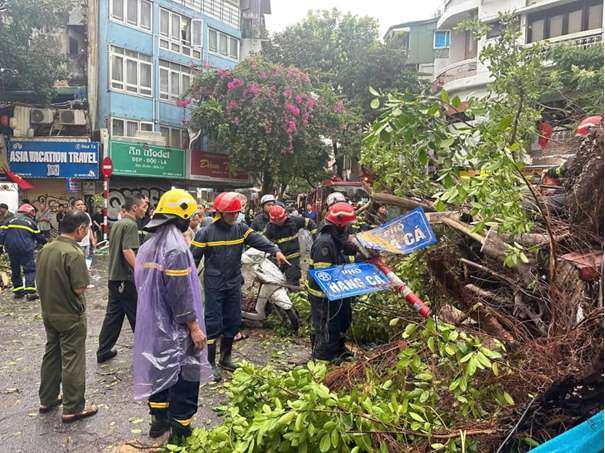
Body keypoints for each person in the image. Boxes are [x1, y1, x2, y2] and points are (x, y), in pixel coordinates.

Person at [134, 189, 212, 442]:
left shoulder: (149, 245)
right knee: (185, 378)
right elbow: (180, 294)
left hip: (155, 324)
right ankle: (180, 432)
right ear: (181, 215)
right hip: (177, 327)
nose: (193, 221)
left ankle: (158, 424)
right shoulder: (176, 249)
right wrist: (193, 326)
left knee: (160, 371)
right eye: (191, 216)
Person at [191, 192, 290, 381]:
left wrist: (275, 250)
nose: (235, 216)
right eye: (231, 213)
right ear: (219, 213)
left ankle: (225, 359)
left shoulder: (241, 229)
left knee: (233, 321)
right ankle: (208, 364)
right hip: (214, 286)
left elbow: (259, 240)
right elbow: (192, 259)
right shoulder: (206, 233)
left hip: (233, 284)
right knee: (212, 324)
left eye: (237, 212)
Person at [36, 210, 98, 423]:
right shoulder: (74, 253)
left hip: (49, 312)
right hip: (70, 314)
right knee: (72, 359)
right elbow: (80, 288)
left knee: (52, 354)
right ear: (81, 228)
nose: (87, 232)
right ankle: (73, 407)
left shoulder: (47, 248)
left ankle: (48, 398)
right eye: (87, 228)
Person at [306, 202, 360, 363]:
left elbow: (344, 247)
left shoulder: (335, 236)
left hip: (336, 292)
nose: (349, 227)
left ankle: (339, 350)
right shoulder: (325, 243)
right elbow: (325, 274)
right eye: (348, 224)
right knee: (328, 332)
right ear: (339, 223)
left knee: (343, 321)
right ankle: (321, 367)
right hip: (323, 296)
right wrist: (356, 261)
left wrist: (356, 249)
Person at [96, 195, 148, 363]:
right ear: (134, 207)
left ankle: (103, 351)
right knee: (137, 316)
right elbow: (127, 251)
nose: (145, 210)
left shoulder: (118, 223)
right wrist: (140, 271)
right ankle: (146, 354)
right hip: (126, 280)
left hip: (114, 278)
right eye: (143, 206)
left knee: (113, 316)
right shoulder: (131, 225)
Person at [0, 204, 47, 300]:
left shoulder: (9, 221)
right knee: (29, 269)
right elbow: (39, 237)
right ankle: (30, 292)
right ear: (31, 213)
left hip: (11, 249)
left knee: (15, 269)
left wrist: (0, 248)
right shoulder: (31, 223)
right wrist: (47, 244)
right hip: (26, 249)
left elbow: (1, 235)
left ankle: (18, 291)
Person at [263, 205, 317, 285]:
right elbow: (263, 242)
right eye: (276, 222)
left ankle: (293, 295)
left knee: (293, 281)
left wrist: (316, 239)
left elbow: (310, 223)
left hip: (292, 258)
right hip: (277, 259)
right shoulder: (270, 227)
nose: (278, 223)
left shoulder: (294, 220)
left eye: (280, 221)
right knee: (274, 282)